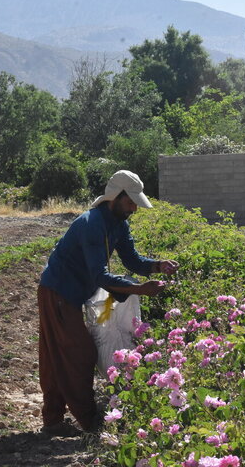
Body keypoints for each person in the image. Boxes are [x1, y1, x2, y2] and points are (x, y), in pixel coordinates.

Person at [37, 170, 179, 437]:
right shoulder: (92, 223)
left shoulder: (117, 223)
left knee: (59, 353)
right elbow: (99, 276)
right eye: (130, 202)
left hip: (71, 293)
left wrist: (158, 266)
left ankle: (53, 420)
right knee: (79, 353)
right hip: (58, 291)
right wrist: (139, 289)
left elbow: (132, 260)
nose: (134, 208)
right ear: (115, 197)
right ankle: (90, 422)